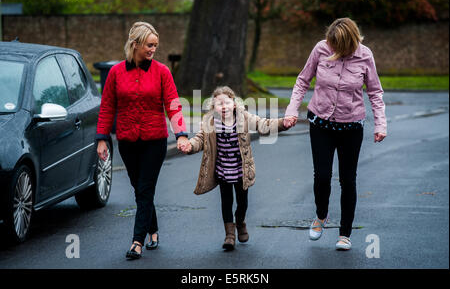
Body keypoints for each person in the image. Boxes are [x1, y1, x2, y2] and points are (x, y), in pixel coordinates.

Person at [284, 18, 387, 251]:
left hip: (351, 127)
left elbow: (375, 92)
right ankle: (321, 216)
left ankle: (345, 233)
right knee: (321, 176)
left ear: (350, 43)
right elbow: (302, 81)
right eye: (332, 44)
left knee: (347, 180)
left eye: (338, 46)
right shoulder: (321, 48)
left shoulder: (365, 55)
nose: (334, 50)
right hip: (320, 123)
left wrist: (380, 124)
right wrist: (291, 111)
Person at [96, 21, 189, 259]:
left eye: (155, 46)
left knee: (145, 188)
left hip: (154, 140)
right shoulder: (116, 73)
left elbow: (173, 105)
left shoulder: (162, 72)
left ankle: (137, 241)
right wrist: (102, 138)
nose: (153, 50)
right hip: (127, 140)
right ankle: (154, 230)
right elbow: (107, 107)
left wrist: (181, 135)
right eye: (149, 45)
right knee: (140, 189)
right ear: (135, 44)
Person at [179, 86, 289, 251]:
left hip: (240, 171)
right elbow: (200, 138)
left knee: (242, 202)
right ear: (213, 107)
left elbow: (263, 124)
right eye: (219, 104)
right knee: (226, 202)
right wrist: (190, 146)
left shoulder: (243, 118)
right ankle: (229, 235)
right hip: (222, 171)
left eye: (227, 102)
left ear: (234, 103)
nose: (224, 106)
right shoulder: (210, 122)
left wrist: (282, 123)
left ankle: (240, 221)